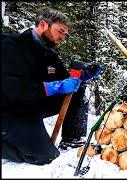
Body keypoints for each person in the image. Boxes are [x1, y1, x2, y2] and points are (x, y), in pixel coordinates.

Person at [1, 7, 102, 165]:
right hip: (10, 110)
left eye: (65, 34)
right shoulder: (11, 45)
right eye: (60, 31)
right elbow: (13, 89)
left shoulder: (48, 54)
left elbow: (64, 81)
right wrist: (54, 87)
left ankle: (72, 139)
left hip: (30, 107)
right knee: (45, 157)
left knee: (77, 89)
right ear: (43, 25)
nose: (62, 37)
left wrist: (82, 76)